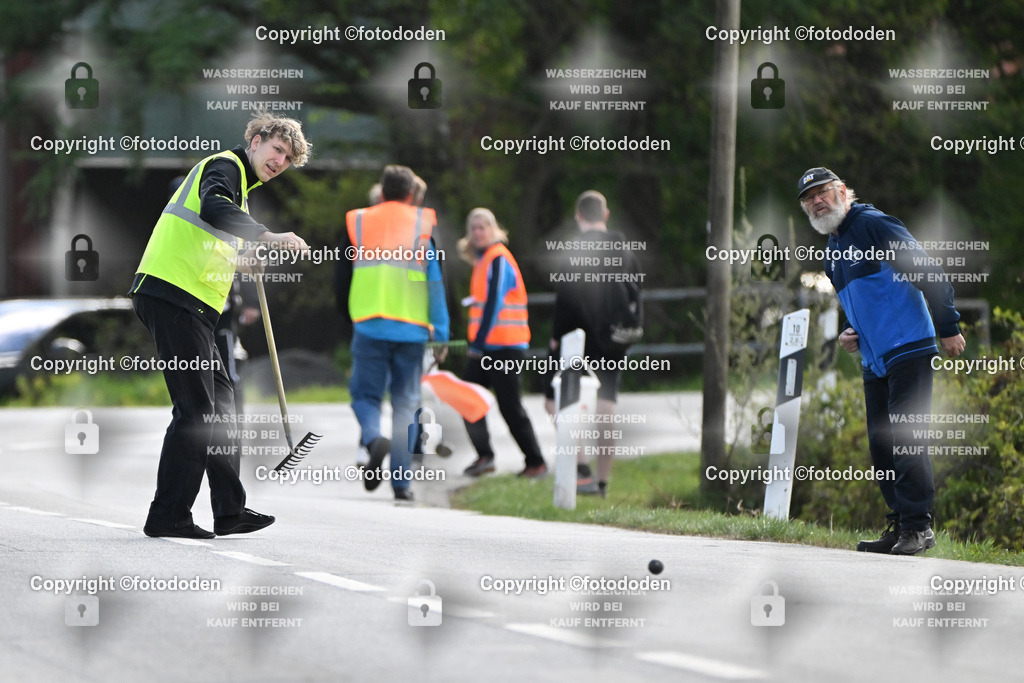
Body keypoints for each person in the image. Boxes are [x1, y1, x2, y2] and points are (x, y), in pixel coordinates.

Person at [130, 112, 311, 539]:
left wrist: (242, 257)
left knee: (221, 409)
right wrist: (267, 237)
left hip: (193, 307)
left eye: (287, 159)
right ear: (257, 140)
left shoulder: (240, 192)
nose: (279, 162)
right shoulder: (225, 166)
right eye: (277, 150)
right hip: (172, 294)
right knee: (197, 413)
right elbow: (213, 207)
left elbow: (211, 230)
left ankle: (230, 510)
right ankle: (168, 515)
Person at [797, 167, 966, 556]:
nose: (817, 201)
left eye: (823, 192)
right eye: (809, 199)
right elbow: (859, 302)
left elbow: (926, 269)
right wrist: (847, 331)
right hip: (874, 361)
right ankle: (900, 523)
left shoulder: (873, 225)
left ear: (842, 191)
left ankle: (918, 528)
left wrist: (948, 325)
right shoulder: (831, 253)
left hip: (908, 347)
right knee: (881, 446)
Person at [335, 165, 449, 501]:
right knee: (405, 403)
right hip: (412, 330)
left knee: (365, 397)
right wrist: (440, 332)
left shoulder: (359, 222)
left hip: (369, 324)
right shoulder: (423, 224)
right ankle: (402, 484)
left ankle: (372, 438)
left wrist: (349, 315)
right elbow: (435, 283)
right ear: (412, 193)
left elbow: (341, 277)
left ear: (382, 192)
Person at [544, 191, 643, 497]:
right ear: (606, 214)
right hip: (613, 341)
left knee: (559, 403)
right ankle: (602, 483)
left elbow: (566, 299)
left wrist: (556, 338)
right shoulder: (627, 252)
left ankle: (582, 468)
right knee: (605, 410)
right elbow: (636, 295)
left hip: (578, 340)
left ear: (578, 216)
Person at [457, 208, 548, 478]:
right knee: (468, 399)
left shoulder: (497, 259)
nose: (477, 232)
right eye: (473, 228)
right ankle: (485, 456)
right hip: (489, 346)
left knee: (510, 407)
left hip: (504, 346)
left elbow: (495, 303)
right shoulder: (483, 261)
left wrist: (478, 343)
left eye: (482, 227)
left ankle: (536, 462)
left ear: (494, 230)